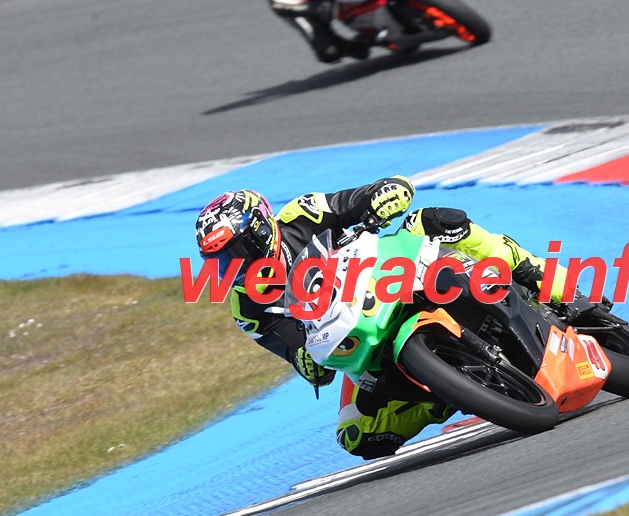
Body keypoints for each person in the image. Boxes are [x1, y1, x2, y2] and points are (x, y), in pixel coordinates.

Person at [195, 177, 577, 459]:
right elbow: (297, 350)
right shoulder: (247, 307)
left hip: (384, 275)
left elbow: (359, 199)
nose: (233, 265)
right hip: (359, 331)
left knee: (433, 221)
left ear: (261, 229)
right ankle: (448, 392)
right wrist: (306, 363)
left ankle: (537, 275)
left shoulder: (301, 214)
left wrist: (385, 196)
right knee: (356, 435)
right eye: (220, 261)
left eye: (236, 251)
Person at [253, 0, 370, 64]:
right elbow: (279, 1)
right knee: (329, 51)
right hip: (306, 0)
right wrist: (314, 9)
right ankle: (355, 40)